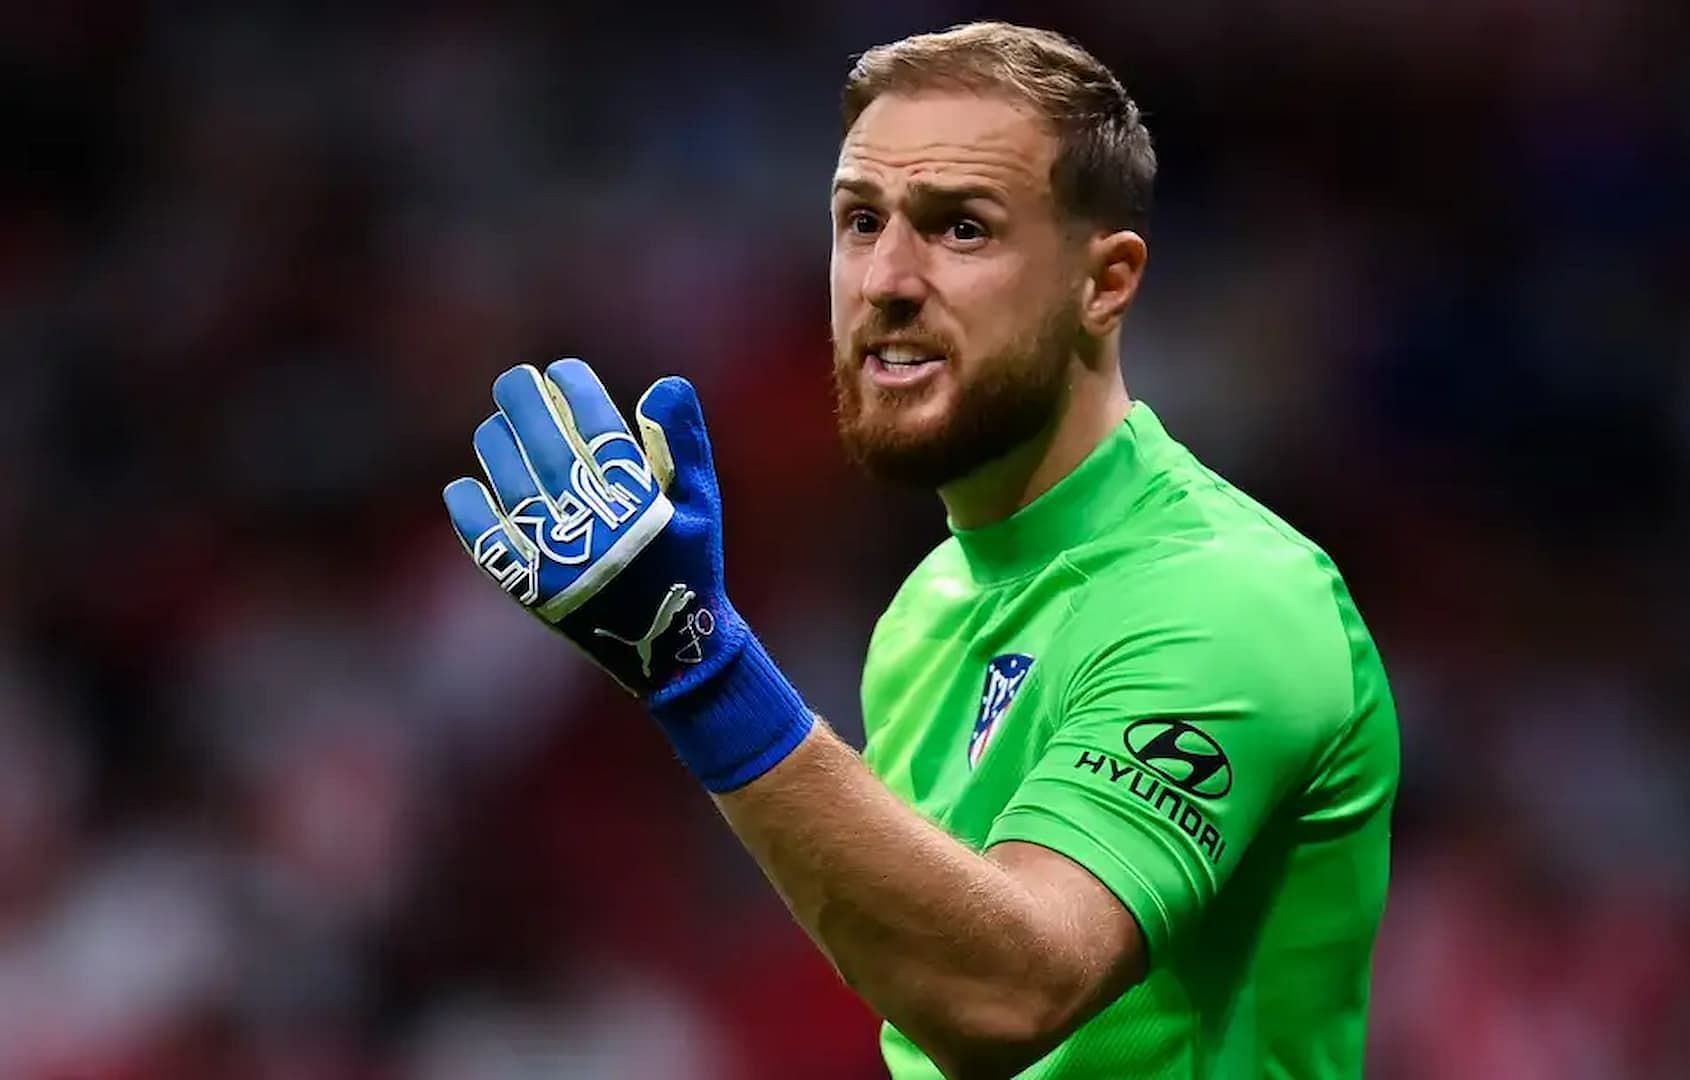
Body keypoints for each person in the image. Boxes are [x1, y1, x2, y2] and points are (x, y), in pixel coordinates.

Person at [443, 21, 1399, 1080]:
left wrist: (700, 669)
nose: (887, 279)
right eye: (861, 222)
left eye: (962, 229)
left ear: (1106, 280)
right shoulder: (926, 613)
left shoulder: (1228, 597)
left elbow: (1012, 991)